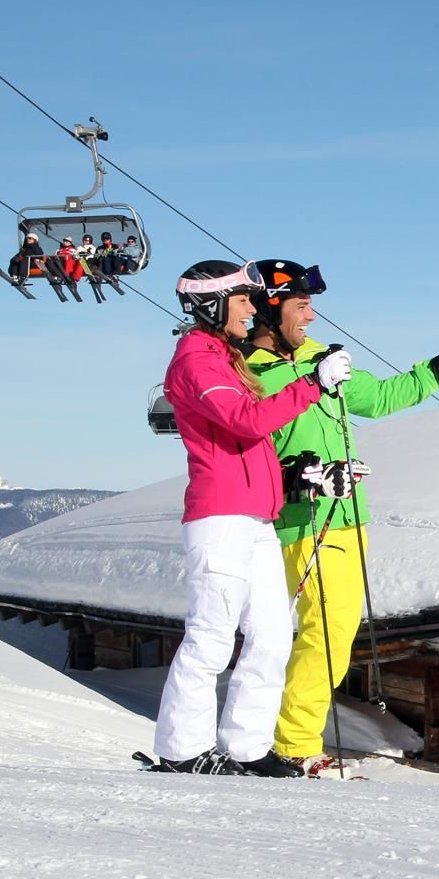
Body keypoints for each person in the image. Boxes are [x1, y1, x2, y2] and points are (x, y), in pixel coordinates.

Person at [243, 258, 439, 774]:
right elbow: (246, 449)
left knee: (334, 635)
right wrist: (300, 477)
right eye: (302, 306)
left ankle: (289, 738)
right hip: (303, 521)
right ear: (270, 309)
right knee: (324, 633)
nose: (311, 316)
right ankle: (293, 743)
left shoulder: (320, 359)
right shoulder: (249, 375)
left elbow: (382, 398)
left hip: (348, 517)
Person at [148, 259, 352, 775]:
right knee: (211, 635)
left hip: (257, 516)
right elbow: (246, 420)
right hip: (220, 517)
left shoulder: (227, 358)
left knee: (273, 634)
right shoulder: (196, 361)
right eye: (241, 300)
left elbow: (250, 444)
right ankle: (182, 751)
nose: (250, 309)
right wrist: (313, 383)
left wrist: (299, 478)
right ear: (213, 304)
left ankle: (247, 746)